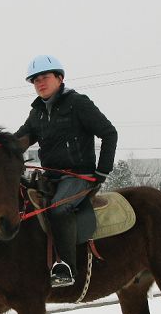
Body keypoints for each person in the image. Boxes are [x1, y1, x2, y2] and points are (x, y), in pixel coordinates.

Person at [15, 55, 118, 287]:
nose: (39, 83)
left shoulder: (78, 103)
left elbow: (109, 133)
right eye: (35, 80)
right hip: (50, 176)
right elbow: (20, 140)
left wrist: (101, 172)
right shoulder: (37, 113)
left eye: (45, 77)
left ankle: (66, 269)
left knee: (59, 209)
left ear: (60, 78)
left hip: (78, 176)